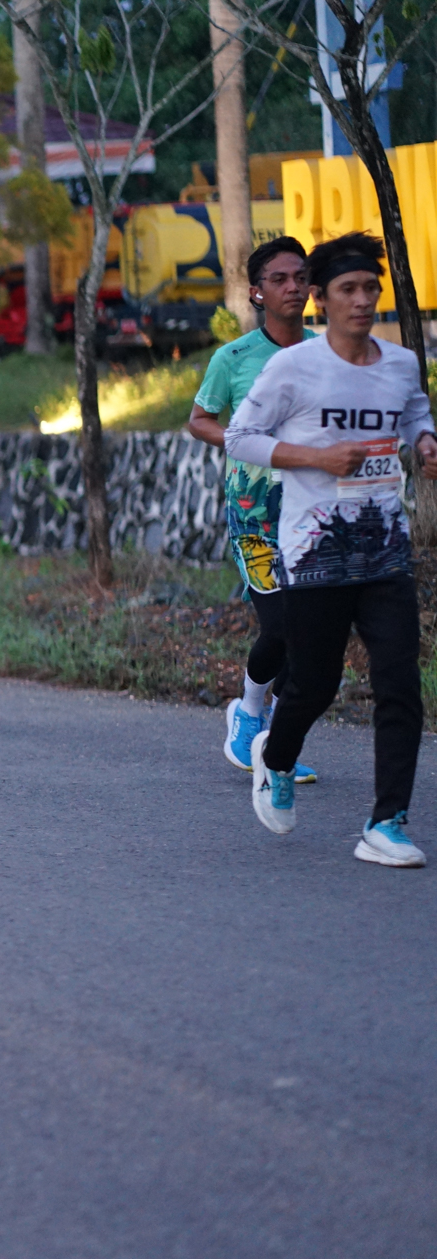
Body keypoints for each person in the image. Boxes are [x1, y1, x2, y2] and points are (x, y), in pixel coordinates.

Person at [225, 231, 437, 869]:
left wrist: (425, 443)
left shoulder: (400, 363)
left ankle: (386, 822)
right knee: (314, 683)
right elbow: (240, 436)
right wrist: (316, 458)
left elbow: (414, 413)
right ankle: (275, 755)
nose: (363, 300)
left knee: (400, 684)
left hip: (384, 550)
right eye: (349, 289)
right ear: (321, 298)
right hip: (314, 550)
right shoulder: (294, 367)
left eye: (371, 288)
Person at [187, 236, 318, 783]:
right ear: (256, 292)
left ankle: (276, 742)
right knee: (281, 627)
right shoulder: (234, 358)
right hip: (255, 514)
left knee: (312, 635)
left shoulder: (326, 354)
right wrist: (245, 442)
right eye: (280, 279)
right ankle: (249, 715)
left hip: (315, 514)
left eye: (301, 277)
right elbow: (200, 420)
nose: (293, 287)